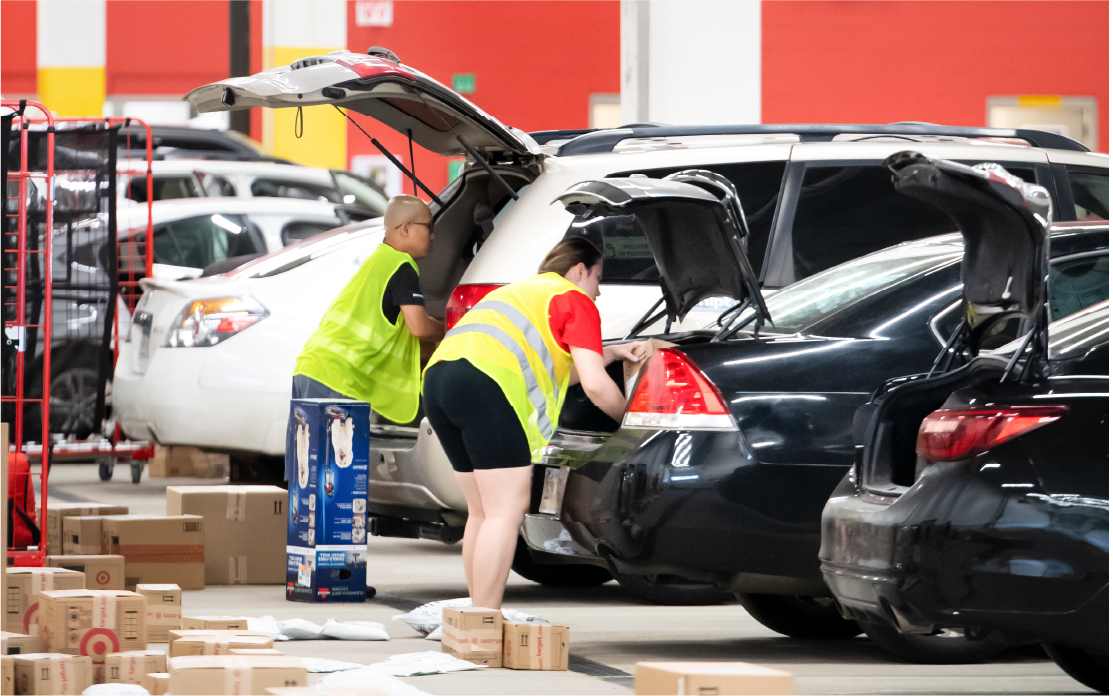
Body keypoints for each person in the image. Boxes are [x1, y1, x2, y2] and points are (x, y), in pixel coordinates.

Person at [423, 236, 642, 609]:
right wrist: (631, 423)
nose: (599, 292)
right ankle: (486, 620)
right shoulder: (574, 298)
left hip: (439, 382)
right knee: (506, 511)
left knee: (482, 512)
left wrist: (611, 352)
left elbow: (557, 372)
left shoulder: (521, 293)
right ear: (578, 270)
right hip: (484, 385)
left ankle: (474, 618)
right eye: (597, 278)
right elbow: (594, 385)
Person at [292, 195, 444, 416]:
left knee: (311, 450)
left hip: (310, 368)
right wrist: (450, 330)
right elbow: (418, 326)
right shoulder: (401, 264)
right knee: (340, 451)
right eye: (429, 226)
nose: (433, 235)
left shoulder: (378, 260)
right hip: (336, 379)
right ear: (405, 229)